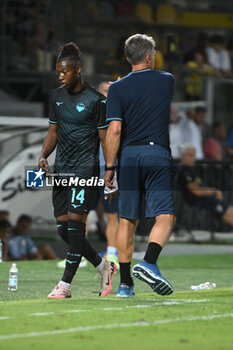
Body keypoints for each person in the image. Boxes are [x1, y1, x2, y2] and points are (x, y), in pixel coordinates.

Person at [38, 42, 116, 299]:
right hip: (61, 170)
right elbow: (53, 132)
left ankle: (65, 285)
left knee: (75, 228)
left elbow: (105, 139)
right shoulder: (57, 96)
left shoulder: (96, 100)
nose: (61, 76)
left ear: (78, 70)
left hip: (85, 171)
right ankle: (103, 266)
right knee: (63, 230)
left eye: (65, 72)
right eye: (58, 72)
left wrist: (109, 170)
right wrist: (43, 155)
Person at [104, 34, 176, 297]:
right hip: (156, 154)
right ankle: (149, 262)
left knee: (127, 221)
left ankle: (125, 285)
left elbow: (114, 130)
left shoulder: (116, 88)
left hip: (129, 157)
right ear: (148, 56)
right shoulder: (167, 80)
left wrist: (109, 168)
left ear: (127, 58)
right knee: (165, 215)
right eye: (153, 53)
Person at [176, 144, 233, 228]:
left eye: (194, 155)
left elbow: (200, 186)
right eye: (190, 155)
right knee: (228, 211)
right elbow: (196, 191)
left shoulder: (191, 170)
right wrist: (214, 192)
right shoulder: (183, 170)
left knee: (228, 211)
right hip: (198, 202)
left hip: (205, 200)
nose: (193, 158)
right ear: (183, 156)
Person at [98, 81, 119, 267]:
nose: (108, 94)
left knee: (111, 214)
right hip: (89, 169)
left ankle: (112, 253)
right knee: (81, 213)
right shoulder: (91, 114)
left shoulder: (119, 114)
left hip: (110, 170)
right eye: (105, 91)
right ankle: (78, 252)